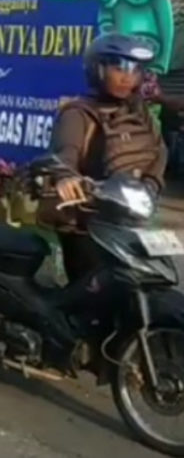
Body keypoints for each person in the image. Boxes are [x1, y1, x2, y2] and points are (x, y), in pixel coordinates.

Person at [43, 33, 166, 285]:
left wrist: (152, 183)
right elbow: (66, 152)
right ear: (97, 70)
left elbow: (159, 150)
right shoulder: (79, 113)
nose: (127, 77)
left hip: (131, 217)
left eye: (134, 70)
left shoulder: (138, 111)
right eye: (118, 68)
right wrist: (65, 177)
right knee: (93, 289)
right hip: (88, 222)